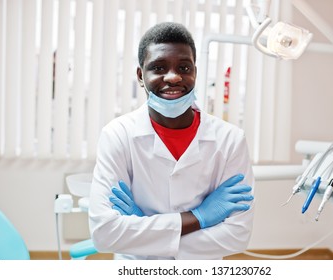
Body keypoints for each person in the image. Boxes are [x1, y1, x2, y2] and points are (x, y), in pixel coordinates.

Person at [88, 22, 255, 260]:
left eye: (184, 67)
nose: (174, 77)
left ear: (195, 72)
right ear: (140, 76)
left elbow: (237, 235)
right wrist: (199, 217)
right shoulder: (117, 135)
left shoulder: (230, 140)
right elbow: (104, 234)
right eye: (158, 67)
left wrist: (143, 229)